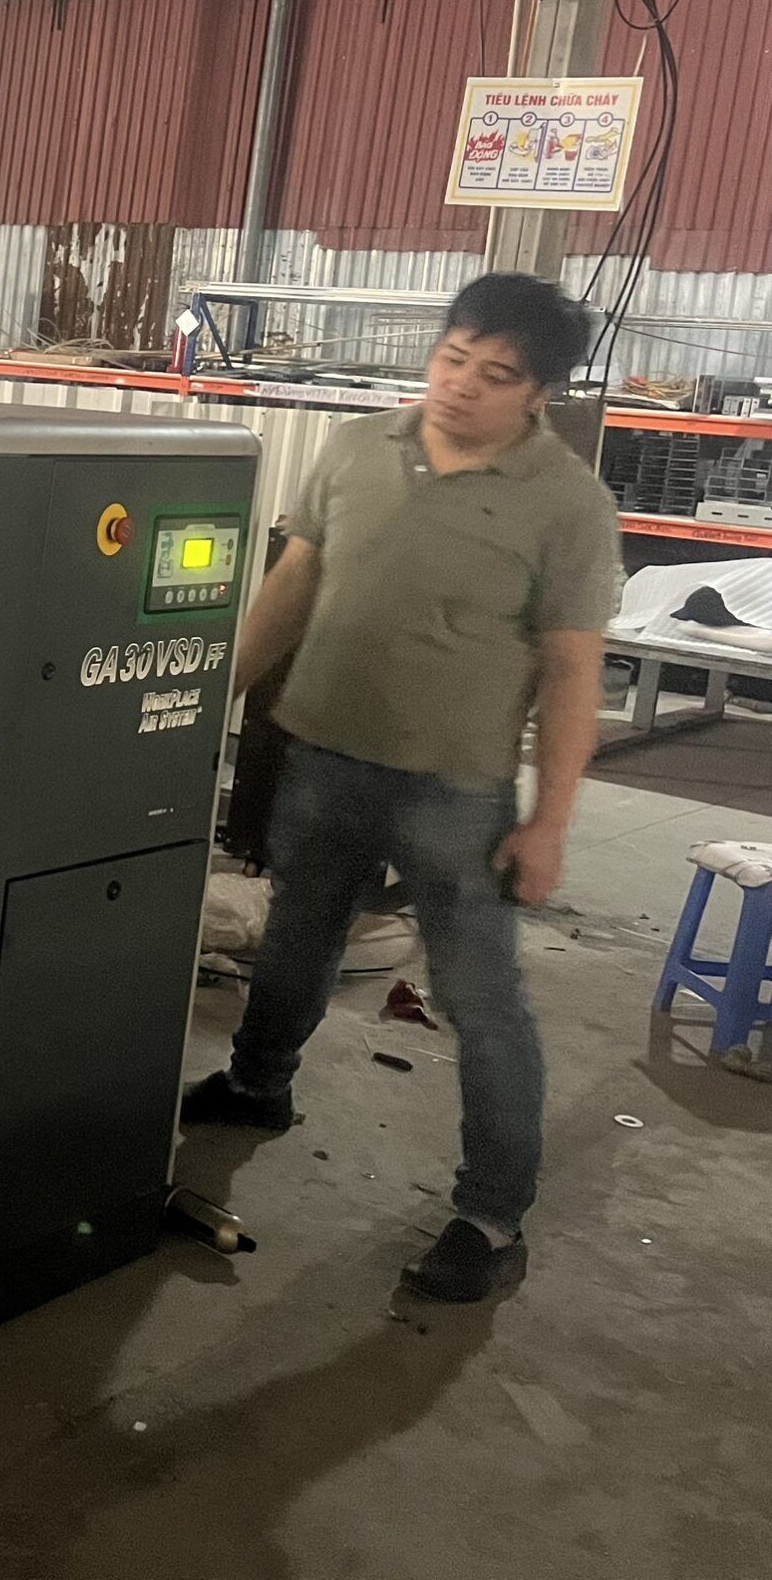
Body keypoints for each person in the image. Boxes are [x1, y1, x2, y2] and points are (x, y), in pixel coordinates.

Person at [181, 273, 620, 1303]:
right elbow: (292, 585)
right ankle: (258, 1084)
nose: (460, 385)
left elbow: (571, 672)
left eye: (494, 375)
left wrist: (550, 823)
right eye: (451, 358)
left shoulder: (568, 504)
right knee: (296, 942)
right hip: (322, 757)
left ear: (538, 394)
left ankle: (491, 1217)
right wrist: (206, 706)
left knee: (481, 1001)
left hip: (454, 793)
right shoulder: (354, 448)